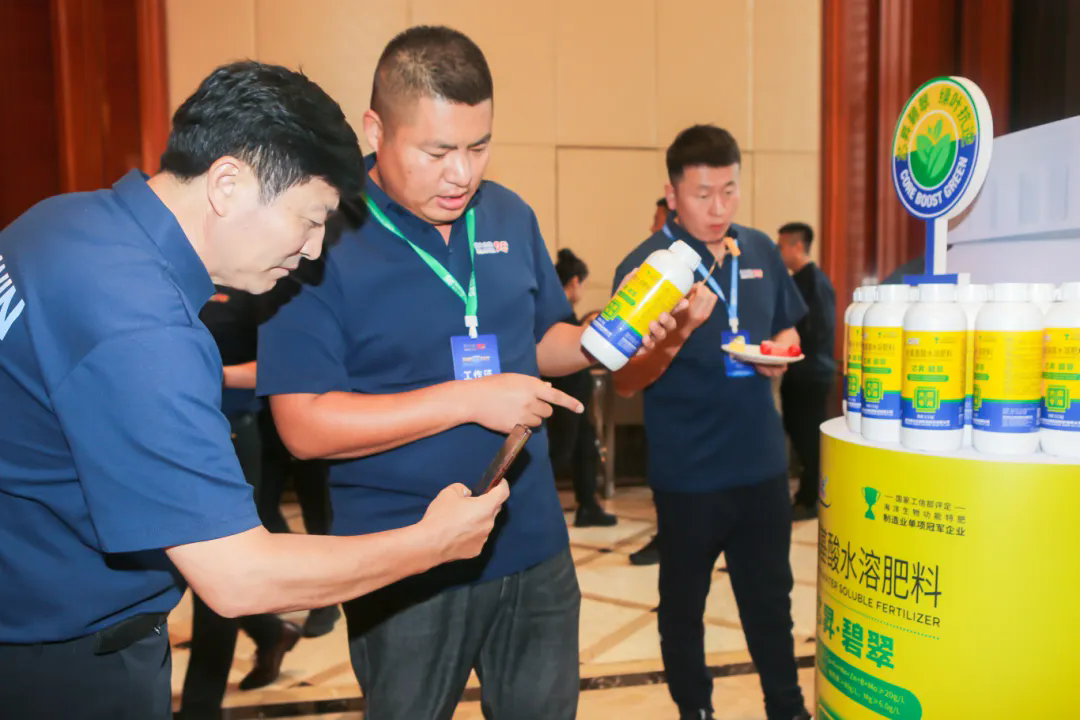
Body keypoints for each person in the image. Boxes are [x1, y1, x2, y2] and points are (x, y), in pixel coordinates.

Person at [0, 61, 507, 719]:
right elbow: (239, 576)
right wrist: (431, 543)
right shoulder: (142, 328)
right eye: (312, 218)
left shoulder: (61, 220)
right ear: (228, 183)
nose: (315, 250)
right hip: (63, 662)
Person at [257, 26, 678, 720]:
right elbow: (302, 425)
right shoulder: (319, 232)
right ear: (375, 130)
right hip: (401, 558)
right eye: (437, 152)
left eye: (479, 147)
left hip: (533, 542)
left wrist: (606, 337)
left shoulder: (508, 211)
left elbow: (540, 340)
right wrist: (469, 400)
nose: (462, 174)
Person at [612, 125, 812, 720]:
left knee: (770, 600)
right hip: (689, 473)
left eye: (729, 191)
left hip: (762, 466)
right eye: (703, 194)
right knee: (683, 606)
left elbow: (787, 327)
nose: (719, 208)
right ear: (672, 194)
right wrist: (679, 332)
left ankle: (787, 707)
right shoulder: (645, 268)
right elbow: (625, 380)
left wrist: (780, 349)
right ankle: (695, 709)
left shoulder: (761, 250)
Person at [177, 286, 302, 719]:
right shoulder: (168, 279)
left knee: (215, 562)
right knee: (180, 560)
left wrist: (212, 373)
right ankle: (269, 631)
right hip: (174, 429)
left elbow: (281, 366)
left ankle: (199, 706)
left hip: (230, 430)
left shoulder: (252, 285)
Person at [547, 248, 617, 527]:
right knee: (560, 451)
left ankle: (588, 505)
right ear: (575, 281)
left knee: (584, 448)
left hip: (576, 396)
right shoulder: (557, 312)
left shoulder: (557, 310)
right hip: (566, 397)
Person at [777, 222, 836, 520]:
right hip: (800, 372)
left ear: (797, 246)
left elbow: (817, 330)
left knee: (809, 438)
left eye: (781, 246)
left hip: (811, 374)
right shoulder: (798, 280)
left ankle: (810, 499)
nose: (778, 252)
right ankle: (806, 495)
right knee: (799, 433)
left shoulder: (815, 282)